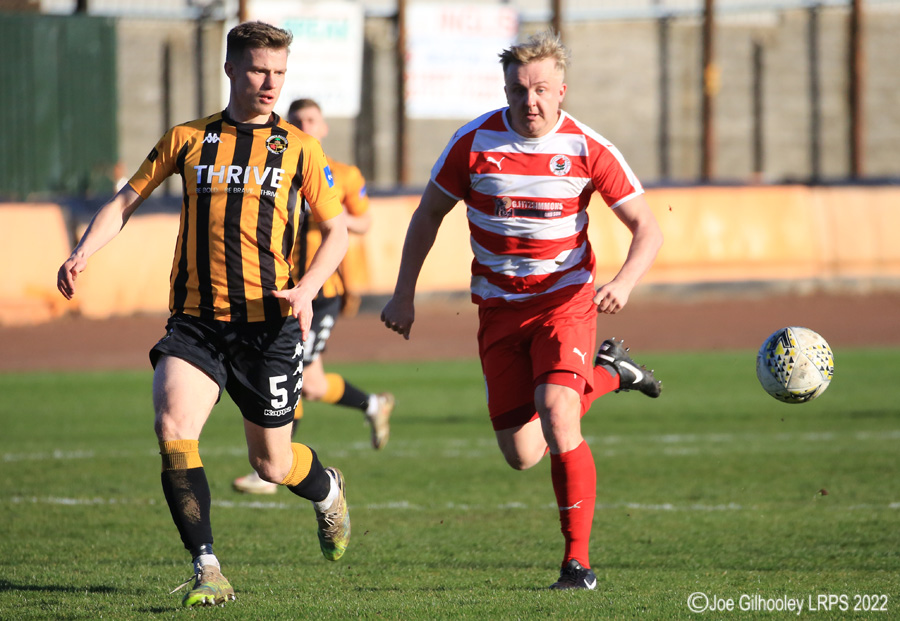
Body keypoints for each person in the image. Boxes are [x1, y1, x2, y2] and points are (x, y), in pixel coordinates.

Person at [56, 22, 351, 608]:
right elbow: (125, 201)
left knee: (272, 464)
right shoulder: (189, 139)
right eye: (259, 70)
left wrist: (309, 284)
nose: (270, 83)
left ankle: (328, 492)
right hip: (195, 323)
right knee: (173, 430)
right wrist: (83, 252)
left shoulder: (298, 147)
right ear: (231, 69)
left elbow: (336, 229)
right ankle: (208, 569)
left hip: (267, 327)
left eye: (279, 73)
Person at [380, 31, 664, 591]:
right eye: (518, 90)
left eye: (540, 89)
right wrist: (403, 292)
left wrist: (626, 282)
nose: (529, 101)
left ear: (561, 89)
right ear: (505, 89)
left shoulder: (588, 148)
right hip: (498, 311)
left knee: (558, 412)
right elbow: (428, 215)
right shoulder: (473, 143)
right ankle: (611, 374)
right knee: (523, 453)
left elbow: (648, 227)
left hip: (566, 301)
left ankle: (576, 565)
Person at [233, 99, 394, 496]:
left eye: (311, 120)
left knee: (297, 369)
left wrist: (327, 216)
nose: (304, 124)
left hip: (324, 291)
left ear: (321, 127)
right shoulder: (276, 167)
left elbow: (364, 221)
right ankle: (373, 404)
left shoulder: (343, 174)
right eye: (297, 120)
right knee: (313, 383)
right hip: (284, 288)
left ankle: (272, 466)